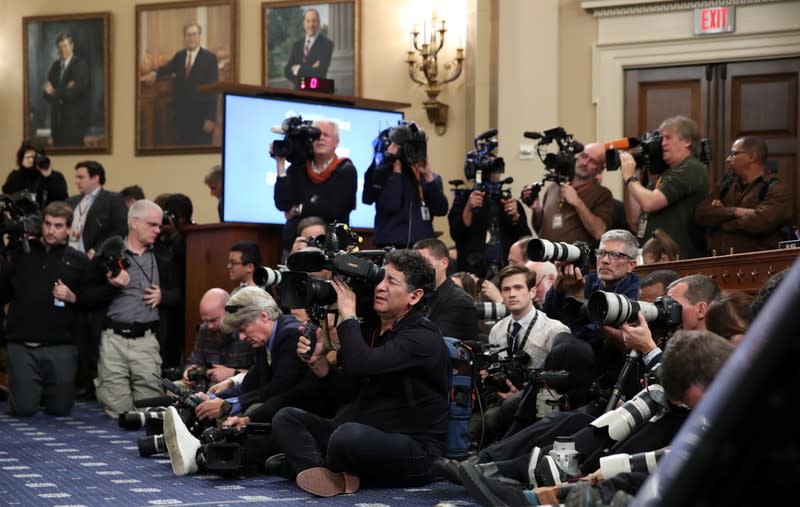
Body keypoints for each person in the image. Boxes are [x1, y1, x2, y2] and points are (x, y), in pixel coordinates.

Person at [459, 329, 735, 507]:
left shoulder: (743, 391)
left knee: (650, 469)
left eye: (689, 398)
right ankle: (533, 487)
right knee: (585, 425)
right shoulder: (704, 358)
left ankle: (548, 494)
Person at [266, 249, 448, 497]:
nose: (380, 287)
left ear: (414, 296)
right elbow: (349, 391)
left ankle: (310, 465)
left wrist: (348, 314)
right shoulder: (372, 329)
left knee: (346, 436)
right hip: (365, 431)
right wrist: (320, 365)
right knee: (287, 418)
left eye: (391, 282)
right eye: (380, 279)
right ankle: (325, 472)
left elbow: (362, 363)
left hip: (413, 447)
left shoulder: (422, 336)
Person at [81, 199, 181, 418]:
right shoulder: (107, 255)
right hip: (112, 340)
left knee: (149, 411)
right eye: (152, 225)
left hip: (147, 340)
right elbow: (85, 297)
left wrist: (163, 296)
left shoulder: (164, 256)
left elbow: (181, 295)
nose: (158, 230)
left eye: (159, 225)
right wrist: (111, 287)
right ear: (134, 223)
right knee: (118, 413)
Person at [0, 201, 89, 416]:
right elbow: (3, 292)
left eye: (58, 226)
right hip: (21, 343)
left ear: (68, 229)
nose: (51, 230)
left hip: (61, 344)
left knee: (60, 409)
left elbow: (91, 300)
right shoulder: (21, 254)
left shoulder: (78, 260)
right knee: (23, 409)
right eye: (47, 224)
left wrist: (72, 296)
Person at [473, 264, 571, 444]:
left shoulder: (554, 330)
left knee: (491, 420)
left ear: (532, 292)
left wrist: (521, 395)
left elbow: (560, 383)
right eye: (506, 289)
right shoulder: (497, 329)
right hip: (500, 400)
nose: (512, 294)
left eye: (518, 288)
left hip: (540, 403)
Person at [621, 115, 708, 259]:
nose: (662, 143)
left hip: (677, 258)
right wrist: (635, 173)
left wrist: (629, 177)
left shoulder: (691, 167)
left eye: (668, 137)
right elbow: (635, 220)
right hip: (652, 257)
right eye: (662, 138)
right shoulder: (664, 174)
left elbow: (649, 203)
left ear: (687, 141)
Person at [272, 120, 357, 255]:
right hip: (296, 245)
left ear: (337, 141)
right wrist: (281, 164)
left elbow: (336, 209)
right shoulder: (298, 168)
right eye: (316, 135)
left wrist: (299, 209)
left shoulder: (346, 170)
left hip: (331, 249)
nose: (320, 138)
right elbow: (283, 204)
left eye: (326, 135)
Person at [695, 136, 791, 254]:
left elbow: (759, 223)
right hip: (718, 262)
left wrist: (720, 218)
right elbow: (701, 213)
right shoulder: (727, 183)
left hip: (755, 264)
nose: (728, 158)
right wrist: (735, 211)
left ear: (751, 157)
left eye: (734, 153)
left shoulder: (775, 188)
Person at [363, 122, 449, 249]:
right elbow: (391, 206)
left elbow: (441, 209)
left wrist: (428, 176)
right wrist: (395, 169)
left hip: (421, 248)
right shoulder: (382, 174)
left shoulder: (429, 178)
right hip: (391, 247)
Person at [140, 23, 219, 145]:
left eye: (194, 34)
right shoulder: (180, 56)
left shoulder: (210, 58)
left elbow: (213, 90)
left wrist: (211, 118)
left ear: (199, 37)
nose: (191, 38)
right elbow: (166, 68)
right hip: (182, 116)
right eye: (188, 35)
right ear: (184, 38)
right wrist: (154, 73)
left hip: (202, 118)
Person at [523, 143, 614, 246]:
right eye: (583, 156)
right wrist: (537, 210)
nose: (584, 163)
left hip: (576, 259)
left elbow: (599, 233)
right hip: (546, 256)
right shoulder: (554, 186)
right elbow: (540, 229)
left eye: (593, 161)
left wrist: (577, 202)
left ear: (600, 169)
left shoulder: (602, 194)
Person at [449, 170, 532, 278]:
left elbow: (525, 237)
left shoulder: (509, 202)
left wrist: (516, 217)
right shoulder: (463, 200)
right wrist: (468, 208)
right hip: (472, 272)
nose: (494, 171)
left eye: (497, 167)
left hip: (505, 270)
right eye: (489, 166)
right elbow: (456, 233)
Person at [181, 288, 254, 388]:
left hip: (239, 386)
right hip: (206, 385)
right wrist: (188, 370)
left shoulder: (245, 332)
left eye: (213, 320)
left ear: (229, 311)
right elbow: (194, 361)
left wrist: (233, 373)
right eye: (205, 321)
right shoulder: (204, 329)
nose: (209, 326)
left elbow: (261, 374)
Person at [414, 238, 479, 341]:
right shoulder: (415, 296)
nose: (418, 268)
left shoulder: (460, 301)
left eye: (424, 262)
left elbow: (433, 340)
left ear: (444, 262)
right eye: (415, 263)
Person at [66, 161, 128, 258]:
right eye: (76, 177)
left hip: (93, 258)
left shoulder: (113, 200)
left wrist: (96, 250)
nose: (76, 181)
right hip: (68, 256)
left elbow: (121, 230)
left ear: (95, 178)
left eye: (81, 177)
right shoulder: (71, 201)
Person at [42, 33, 90, 147]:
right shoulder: (55, 66)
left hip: (73, 127)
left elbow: (73, 93)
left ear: (72, 46)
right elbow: (46, 94)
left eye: (65, 46)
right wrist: (63, 90)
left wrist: (54, 91)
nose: (62, 50)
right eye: (59, 47)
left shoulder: (80, 65)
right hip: (56, 126)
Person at [3, 141, 68, 210]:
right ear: (22, 158)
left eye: (34, 157)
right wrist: (23, 169)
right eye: (28, 157)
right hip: (22, 218)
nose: (31, 160)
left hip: (48, 218)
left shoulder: (55, 176)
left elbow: (61, 198)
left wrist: (48, 175)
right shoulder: (16, 176)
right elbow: (7, 193)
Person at [283, 8, 334, 89]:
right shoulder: (297, 45)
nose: (311, 25)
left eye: (314, 21)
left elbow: (320, 72)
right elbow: (287, 71)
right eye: (308, 21)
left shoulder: (327, 44)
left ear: (319, 23)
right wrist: (311, 68)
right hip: (297, 95)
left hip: (317, 94)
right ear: (304, 24)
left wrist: (297, 68)